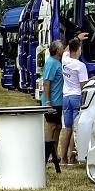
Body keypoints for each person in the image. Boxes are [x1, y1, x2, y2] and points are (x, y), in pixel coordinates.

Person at [60, 36, 91, 166]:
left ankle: (63, 159)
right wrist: (92, 80)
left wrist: (77, 38)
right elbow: (83, 85)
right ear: (78, 50)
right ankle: (72, 157)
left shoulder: (65, 59)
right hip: (76, 97)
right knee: (75, 128)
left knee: (67, 128)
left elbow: (67, 49)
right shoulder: (80, 65)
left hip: (66, 97)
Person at [41, 41, 65, 172]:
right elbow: (46, 82)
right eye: (61, 48)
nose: (63, 49)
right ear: (57, 50)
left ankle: (54, 153)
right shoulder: (51, 63)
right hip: (52, 102)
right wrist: (48, 102)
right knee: (51, 127)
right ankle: (46, 155)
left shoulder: (57, 62)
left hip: (58, 101)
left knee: (58, 126)